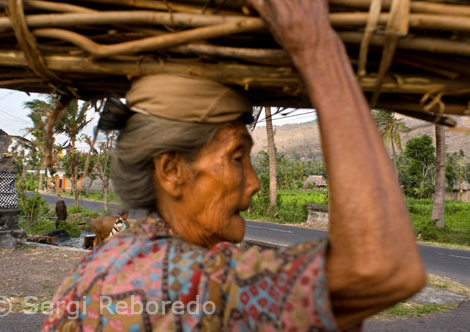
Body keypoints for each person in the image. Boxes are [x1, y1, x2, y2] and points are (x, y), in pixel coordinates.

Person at [43, 0, 425, 331]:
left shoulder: (92, 271)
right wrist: (316, 48)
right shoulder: (192, 281)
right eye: (237, 158)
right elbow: (381, 268)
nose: (254, 182)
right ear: (172, 171)